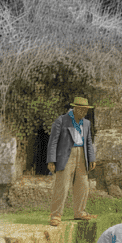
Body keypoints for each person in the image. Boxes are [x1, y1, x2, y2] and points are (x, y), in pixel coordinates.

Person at [47, 97, 97, 227]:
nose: (85, 113)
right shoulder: (61, 120)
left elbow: (89, 142)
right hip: (65, 156)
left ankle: (79, 212)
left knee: (83, 184)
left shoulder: (86, 123)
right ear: (76, 108)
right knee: (62, 185)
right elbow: (52, 142)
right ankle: (56, 215)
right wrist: (51, 160)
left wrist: (91, 158)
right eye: (83, 110)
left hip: (82, 155)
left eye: (86, 110)